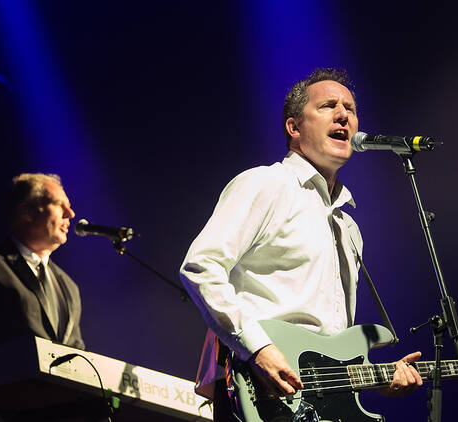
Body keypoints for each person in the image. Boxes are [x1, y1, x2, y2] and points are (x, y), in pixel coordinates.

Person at [180, 68, 422, 420]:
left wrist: (379, 378)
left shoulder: (348, 226)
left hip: (317, 404)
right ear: (294, 128)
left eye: (350, 109)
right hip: (257, 386)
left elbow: (331, 345)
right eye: (328, 106)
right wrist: (257, 347)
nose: (343, 115)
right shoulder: (266, 185)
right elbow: (201, 267)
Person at [0, 173, 85, 420]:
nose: (71, 214)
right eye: (60, 205)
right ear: (27, 212)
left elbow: (76, 354)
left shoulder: (69, 286)